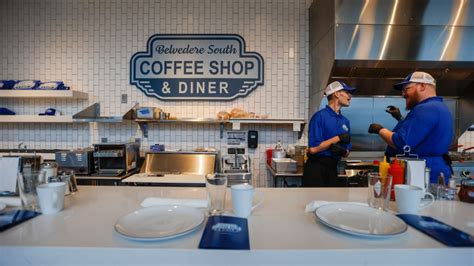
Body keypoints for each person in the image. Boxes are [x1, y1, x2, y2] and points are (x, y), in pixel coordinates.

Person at [368, 71, 453, 184]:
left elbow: (402, 142)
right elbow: (417, 133)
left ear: (422, 86)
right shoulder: (440, 107)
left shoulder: (425, 109)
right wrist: (400, 118)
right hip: (435, 170)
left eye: (406, 89)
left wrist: (380, 130)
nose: (403, 94)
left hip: (423, 174)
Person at [302, 81, 355, 187]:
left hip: (333, 169)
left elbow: (347, 152)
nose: (350, 96)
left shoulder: (345, 122)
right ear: (336, 94)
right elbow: (313, 149)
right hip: (316, 168)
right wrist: (338, 138)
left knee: (331, 202)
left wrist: (343, 151)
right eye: (346, 92)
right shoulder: (319, 117)